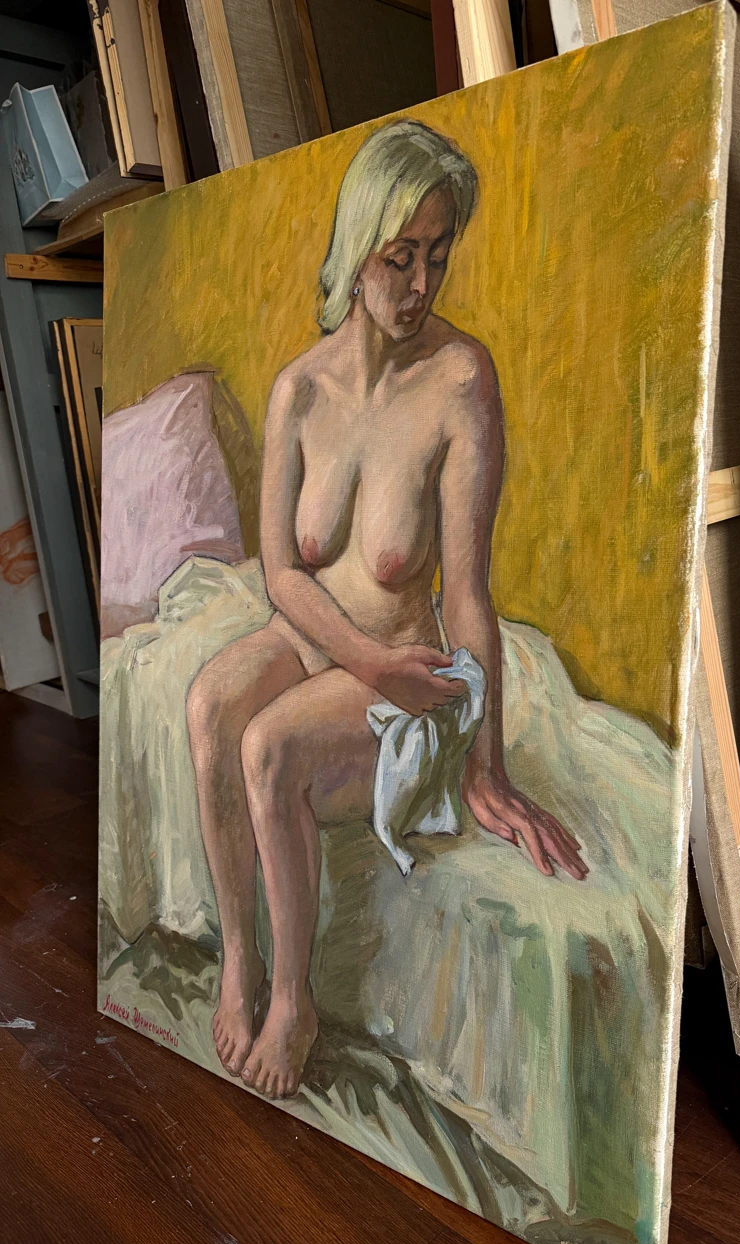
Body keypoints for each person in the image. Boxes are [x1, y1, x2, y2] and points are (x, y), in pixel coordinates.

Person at [186, 120, 588, 1103]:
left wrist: (485, 764)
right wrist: (354, 656)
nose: (420, 285)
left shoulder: (462, 380)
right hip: (324, 643)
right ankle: (240, 957)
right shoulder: (298, 391)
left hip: (408, 668)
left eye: (438, 257)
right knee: (209, 702)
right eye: (400, 256)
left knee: (269, 746)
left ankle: (294, 1001)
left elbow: (468, 595)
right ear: (358, 247)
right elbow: (284, 574)